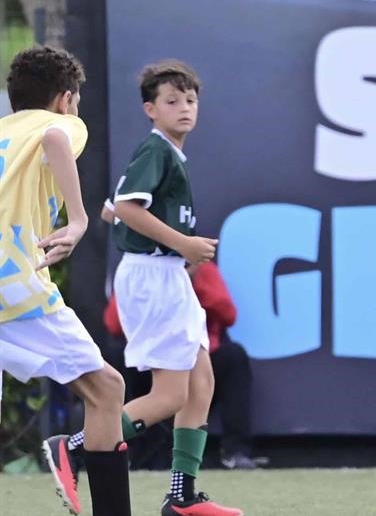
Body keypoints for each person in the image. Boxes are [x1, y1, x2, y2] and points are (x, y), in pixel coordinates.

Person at [44, 60, 241, 516]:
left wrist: (155, 234)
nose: (184, 107)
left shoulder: (167, 154)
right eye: (172, 101)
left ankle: (182, 495)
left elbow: (115, 208)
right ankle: (74, 447)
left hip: (166, 275)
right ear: (150, 109)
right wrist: (184, 244)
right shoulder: (156, 149)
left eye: (190, 100)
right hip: (154, 277)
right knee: (171, 395)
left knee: (201, 383)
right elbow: (130, 209)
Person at [0, 45, 131, 516]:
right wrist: (78, 220)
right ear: (66, 98)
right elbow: (56, 137)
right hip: (12, 285)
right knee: (107, 390)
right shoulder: (59, 122)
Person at [100, 256, 259, 470]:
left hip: (195, 353)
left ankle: (221, 459)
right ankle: (84, 445)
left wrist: (190, 284)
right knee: (165, 393)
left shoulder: (203, 269)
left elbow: (228, 313)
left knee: (227, 362)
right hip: (153, 359)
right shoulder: (142, 271)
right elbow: (113, 323)